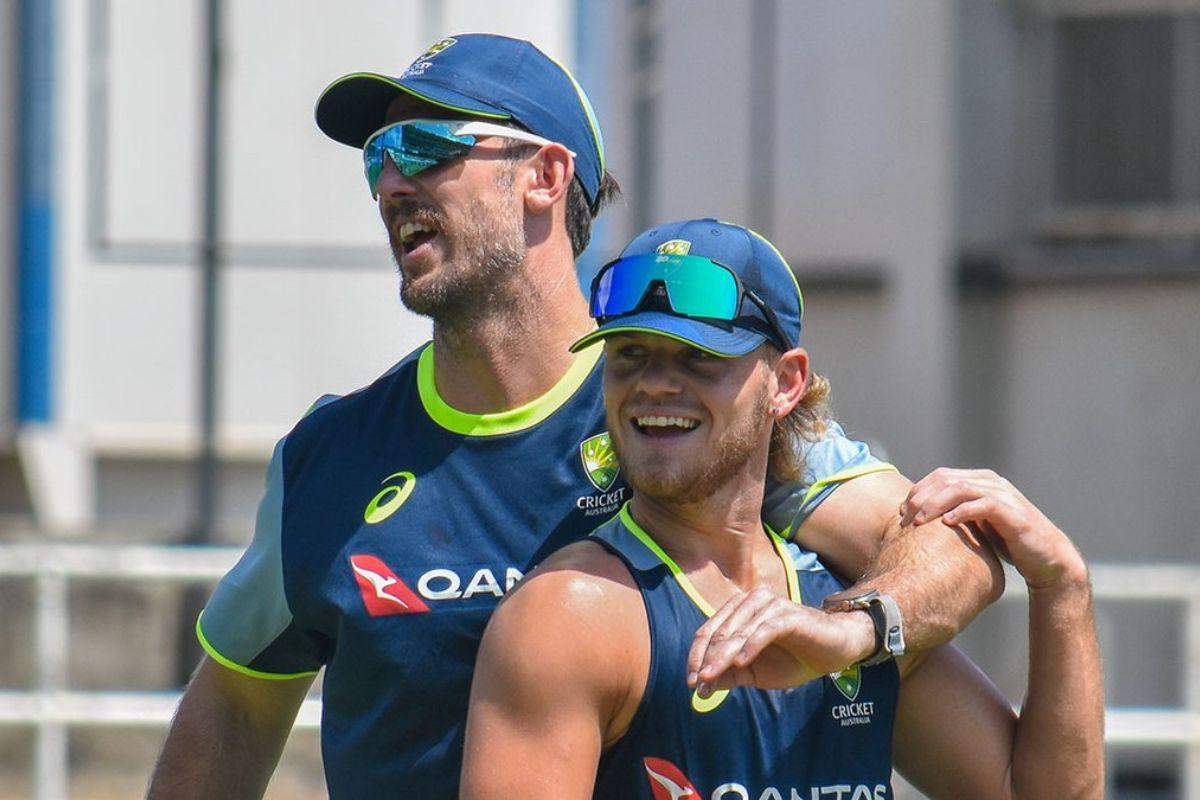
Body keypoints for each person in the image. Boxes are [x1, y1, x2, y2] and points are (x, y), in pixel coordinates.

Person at [147, 35, 1002, 799]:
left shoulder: (680, 417)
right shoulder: (325, 459)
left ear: (546, 178)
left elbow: (949, 547)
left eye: (428, 147)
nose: (393, 181)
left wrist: (855, 627)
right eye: (379, 157)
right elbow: (234, 711)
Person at [460, 218, 1104, 800]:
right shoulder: (573, 611)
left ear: (786, 383)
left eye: (699, 358)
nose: (655, 383)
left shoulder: (848, 600)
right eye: (630, 355)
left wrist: (1062, 587)